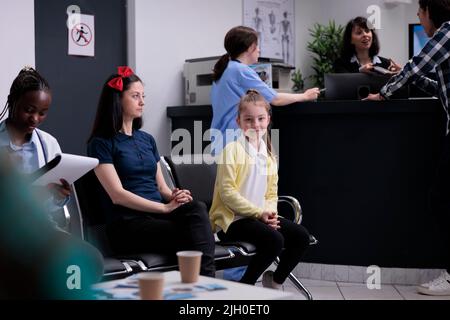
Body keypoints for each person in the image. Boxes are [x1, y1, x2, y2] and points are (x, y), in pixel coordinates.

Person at [87, 66, 216, 277]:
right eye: (135, 96)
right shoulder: (100, 143)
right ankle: (207, 286)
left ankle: (204, 285)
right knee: (193, 234)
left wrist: (175, 196)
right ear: (117, 99)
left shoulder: (147, 140)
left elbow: (162, 188)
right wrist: (164, 209)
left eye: (143, 96)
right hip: (128, 225)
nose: (142, 102)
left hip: (156, 219)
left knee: (196, 207)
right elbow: (117, 195)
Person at [366, 0, 450, 296]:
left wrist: (385, 93)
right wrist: (400, 76)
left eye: (420, 12)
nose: (418, 16)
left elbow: (418, 66)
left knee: (441, 200)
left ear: (430, 12)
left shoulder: (448, 33)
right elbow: (437, 86)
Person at [0, 67, 103, 298]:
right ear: (13, 101)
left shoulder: (48, 144)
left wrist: (58, 197)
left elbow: (50, 208)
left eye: (43, 113)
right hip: (5, 234)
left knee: (89, 259)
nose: (35, 119)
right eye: (29, 110)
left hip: (41, 229)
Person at [209, 90, 311, 288]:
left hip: (260, 219)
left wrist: (270, 214)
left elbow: (271, 193)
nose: (255, 125)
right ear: (239, 122)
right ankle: (246, 288)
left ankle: (274, 281)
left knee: (301, 236)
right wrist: (259, 213)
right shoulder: (232, 151)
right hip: (233, 222)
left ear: (268, 120)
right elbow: (227, 193)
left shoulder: (269, 155)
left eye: (260, 119)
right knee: (274, 240)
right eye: (249, 120)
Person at [211, 26, 320, 155]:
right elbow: (276, 99)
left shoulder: (225, 69)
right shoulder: (241, 71)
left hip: (221, 141)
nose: (259, 50)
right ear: (250, 48)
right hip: (237, 141)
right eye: (257, 46)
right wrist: (305, 96)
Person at [333, 16, 402, 74]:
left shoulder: (386, 64)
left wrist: (400, 75)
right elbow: (343, 86)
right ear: (350, 40)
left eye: (367, 31)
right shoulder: (341, 64)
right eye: (359, 32)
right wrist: (359, 72)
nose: (365, 35)